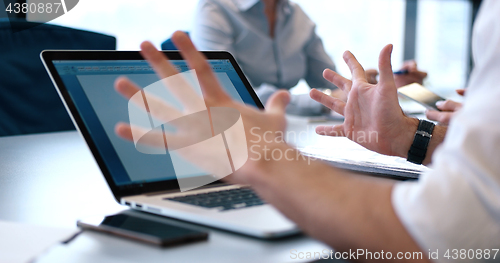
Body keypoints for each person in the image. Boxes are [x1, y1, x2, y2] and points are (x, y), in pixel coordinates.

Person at [114, 0, 500, 260]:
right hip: (268, 122)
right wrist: (410, 136)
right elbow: (243, 92)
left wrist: (264, 158)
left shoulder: (296, 15)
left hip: (279, 130)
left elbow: (450, 238)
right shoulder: (217, 9)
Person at [191, 0, 426, 115]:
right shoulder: (215, 11)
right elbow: (236, 95)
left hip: (290, 130)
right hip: (241, 133)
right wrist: (326, 99)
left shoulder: (296, 15)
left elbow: (329, 80)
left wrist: (381, 83)